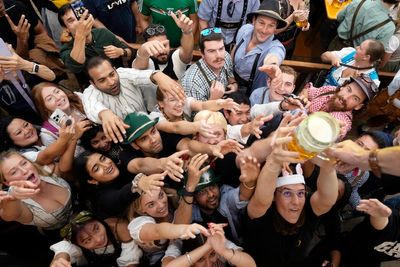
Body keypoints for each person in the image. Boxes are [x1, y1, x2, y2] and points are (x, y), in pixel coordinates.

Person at [242, 116, 339, 266]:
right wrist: (274, 161)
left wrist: (328, 167)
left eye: (301, 193)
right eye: (287, 193)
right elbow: (261, 200)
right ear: (274, 196)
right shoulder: (261, 215)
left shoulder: (306, 211)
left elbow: (327, 200)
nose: (296, 202)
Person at [82, 56, 185, 143]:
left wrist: (158, 76)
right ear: (93, 84)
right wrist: (104, 113)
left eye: (112, 74)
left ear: (114, 69)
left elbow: (141, 75)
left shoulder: (123, 73)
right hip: (126, 143)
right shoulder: (89, 93)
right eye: (102, 80)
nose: (111, 82)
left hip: (151, 130)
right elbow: (91, 106)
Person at [177, 153, 260, 244]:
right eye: (202, 192)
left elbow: (242, 195)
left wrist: (250, 180)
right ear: (194, 199)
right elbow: (179, 228)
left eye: (212, 187)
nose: (211, 194)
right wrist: (190, 188)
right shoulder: (189, 208)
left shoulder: (224, 195)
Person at [127, 186, 210, 266]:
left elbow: (175, 244)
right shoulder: (137, 224)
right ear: (140, 209)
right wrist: (183, 229)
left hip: (176, 245)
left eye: (161, 195)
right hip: (151, 259)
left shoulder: (175, 200)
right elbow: (158, 231)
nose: (161, 205)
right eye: (151, 204)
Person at [74, 150, 168, 218]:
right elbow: (119, 197)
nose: (106, 165)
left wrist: (163, 163)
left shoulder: (121, 164)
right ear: (92, 180)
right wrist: (138, 183)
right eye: (96, 169)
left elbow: (139, 164)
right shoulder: (102, 198)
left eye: (103, 159)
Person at [0, 150, 72, 230]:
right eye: (14, 172)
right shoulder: (16, 202)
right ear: (6, 182)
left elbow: (65, 168)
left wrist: (72, 140)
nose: (24, 171)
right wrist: (13, 198)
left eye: (24, 163)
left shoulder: (45, 170)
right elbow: (8, 216)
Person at [57, 5, 132, 82]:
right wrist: (81, 35)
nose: (79, 23)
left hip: (120, 79)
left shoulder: (103, 32)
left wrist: (122, 52)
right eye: (71, 21)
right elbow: (75, 66)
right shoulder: (66, 49)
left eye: (79, 16)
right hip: (95, 89)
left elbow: (130, 52)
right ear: (66, 28)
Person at [50, 210, 143, 267]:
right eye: (87, 240)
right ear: (77, 243)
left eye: (96, 229)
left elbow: (131, 255)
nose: (98, 240)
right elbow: (64, 249)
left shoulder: (119, 227)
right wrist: (60, 259)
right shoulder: (72, 243)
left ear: (99, 220)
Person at [232, 0, 286, 95]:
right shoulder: (245, 29)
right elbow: (233, 51)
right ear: (254, 21)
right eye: (261, 23)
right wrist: (230, 78)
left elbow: (274, 56)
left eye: (271, 25)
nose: (264, 30)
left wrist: (273, 64)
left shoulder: (276, 46)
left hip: (250, 94)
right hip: (231, 82)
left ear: (275, 28)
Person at [299, 74, 378, 138]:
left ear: (358, 106)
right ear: (343, 87)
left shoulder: (344, 118)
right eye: (348, 90)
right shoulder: (331, 90)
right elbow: (308, 90)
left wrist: (335, 127)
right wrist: (304, 99)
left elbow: (337, 126)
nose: (345, 97)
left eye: (355, 98)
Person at [149, 86, 239, 137]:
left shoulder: (185, 102)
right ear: (161, 103)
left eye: (181, 97)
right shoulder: (154, 117)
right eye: (172, 100)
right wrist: (198, 126)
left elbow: (202, 105)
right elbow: (174, 127)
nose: (180, 103)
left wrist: (220, 104)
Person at [0, 116, 79, 174]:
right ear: (11, 142)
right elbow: (50, 158)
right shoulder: (25, 156)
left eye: (26, 125)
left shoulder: (44, 132)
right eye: (19, 132)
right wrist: (69, 138)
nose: (27, 130)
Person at [0, 45, 56, 125]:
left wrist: (25, 65)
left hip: (53, 111)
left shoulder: (24, 64)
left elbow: (51, 76)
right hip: (28, 126)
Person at [32, 82, 91, 154]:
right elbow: (64, 160)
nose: (58, 98)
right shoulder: (48, 133)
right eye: (50, 99)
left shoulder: (78, 97)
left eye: (57, 91)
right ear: (44, 108)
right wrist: (74, 136)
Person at [132, 11, 194, 80]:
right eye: (155, 47)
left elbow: (187, 52)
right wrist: (143, 49)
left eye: (164, 45)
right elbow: (139, 67)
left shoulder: (175, 57)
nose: (161, 50)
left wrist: (187, 31)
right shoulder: (147, 61)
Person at [182, 27, 238, 101]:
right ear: (202, 53)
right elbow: (196, 112)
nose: (219, 55)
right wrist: (213, 99)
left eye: (221, 49)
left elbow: (230, 74)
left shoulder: (226, 56)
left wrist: (234, 84)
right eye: (212, 51)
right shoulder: (193, 82)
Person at [162, 223, 256, 267]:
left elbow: (250, 265)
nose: (208, 265)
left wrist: (223, 251)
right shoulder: (178, 243)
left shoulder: (217, 241)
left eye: (212, 254)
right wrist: (207, 246)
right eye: (200, 259)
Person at [341, 198, 399, 267]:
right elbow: (383, 225)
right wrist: (379, 216)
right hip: (352, 249)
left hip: (372, 260)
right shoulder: (394, 222)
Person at [329, 0, 397, 50]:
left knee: (326, 64)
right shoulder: (389, 27)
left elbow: (339, 17)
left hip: (337, 43)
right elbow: (376, 50)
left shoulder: (359, 2)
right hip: (357, 55)